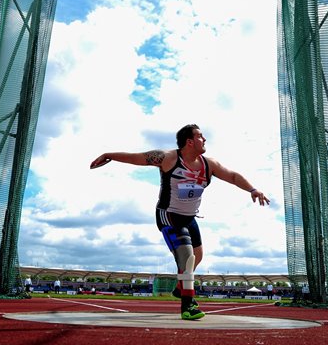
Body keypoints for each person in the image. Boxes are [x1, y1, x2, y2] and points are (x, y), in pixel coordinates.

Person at [90, 124, 270, 320]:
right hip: (169, 214)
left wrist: (253, 190)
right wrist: (109, 154)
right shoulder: (169, 158)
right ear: (189, 141)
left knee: (197, 258)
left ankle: (180, 287)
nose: (205, 140)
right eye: (201, 136)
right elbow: (137, 158)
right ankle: (188, 306)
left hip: (190, 218)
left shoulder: (209, 165)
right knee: (187, 258)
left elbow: (233, 176)